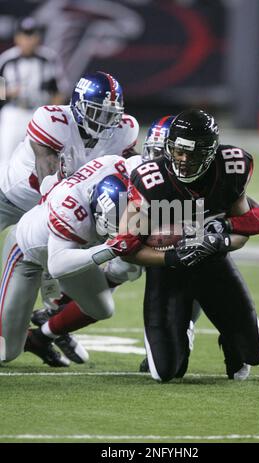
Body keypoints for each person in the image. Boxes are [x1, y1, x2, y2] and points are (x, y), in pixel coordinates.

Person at [125, 109, 259, 381]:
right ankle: (182, 337)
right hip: (167, 267)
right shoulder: (149, 180)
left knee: (253, 354)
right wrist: (173, 257)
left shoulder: (231, 167)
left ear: (210, 152)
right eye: (178, 151)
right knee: (166, 372)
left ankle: (232, 341)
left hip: (211, 260)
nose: (182, 160)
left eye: (192, 154)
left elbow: (245, 224)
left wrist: (221, 240)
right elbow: (127, 248)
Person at [0, 70, 139, 364]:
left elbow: (135, 174)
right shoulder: (53, 120)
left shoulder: (125, 130)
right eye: (95, 112)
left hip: (72, 209)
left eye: (110, 114)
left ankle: (53, 318)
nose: (103, 122)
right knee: (58, 254)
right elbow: (47, 174)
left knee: (118, 260)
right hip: (15, 198)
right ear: (77, 104)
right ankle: (43, 319)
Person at [0, 154, 141, 366]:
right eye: (120, 224)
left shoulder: (116, 168)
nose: (126, 229)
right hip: (27, 255)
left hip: (70, 248)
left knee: (101, 308)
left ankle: (42, 331)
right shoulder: (72, 211)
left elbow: (137, 164)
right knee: (7, 351)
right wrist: (111, 247)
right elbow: (58, 265)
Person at [0, 17, 66, 165]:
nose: (29, 40)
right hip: (14, 112)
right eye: (25, 35)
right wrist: (9, 92)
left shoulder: (49, 59)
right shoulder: (6, 60)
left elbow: (59, 92)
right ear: (17, 37)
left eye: (32, 35)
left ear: (38, 38)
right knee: (6, 157)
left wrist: (50, 113)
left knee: (38, 158)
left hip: (38, 112)